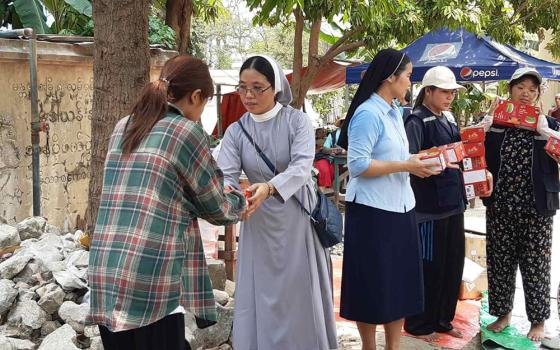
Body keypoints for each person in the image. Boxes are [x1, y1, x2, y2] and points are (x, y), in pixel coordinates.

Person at [88, 55, 247, 350]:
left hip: (106, 271)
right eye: (203, 106)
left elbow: (165, 189)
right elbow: (218, 207)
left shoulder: (124, 125)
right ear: (196, 96)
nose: (200, 115)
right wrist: (242, 199)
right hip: (151, 277)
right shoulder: (186, 131)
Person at [217, 55, 337, 350]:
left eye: (257, 87)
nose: (248, 95)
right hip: (257, 220)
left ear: (276, 88)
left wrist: (270, 188)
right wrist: (234, 197)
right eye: (243, 87)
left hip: (296, 221)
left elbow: (301, 168)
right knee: (262, 295)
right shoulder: (236, 131)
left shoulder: (297, 121)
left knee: (298, 294)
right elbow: (226, 176)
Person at [337, 49, 440, 350]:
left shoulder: (394, 111)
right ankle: (370, 346)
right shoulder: (368, 113)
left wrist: (417, 162)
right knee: (371, 286)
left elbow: (394, 157)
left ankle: (392, 347)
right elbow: (358, 165)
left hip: (401, 208)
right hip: (372, 212)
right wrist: (407, 165)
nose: (410, 82)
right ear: (390, 77)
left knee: (399, 285)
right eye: (407, 75)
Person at [403, 66, 492, 341]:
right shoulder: (416, 121)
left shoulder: (450, 119)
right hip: (428, 208)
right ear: (427, 91)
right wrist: (437, 159)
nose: (450, 96)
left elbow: (461, 155)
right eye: (444, 91)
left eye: (452, 92)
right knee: (428, 267)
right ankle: (420, 324)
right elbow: (409, 159)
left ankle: (443, 319)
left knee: (451, 265)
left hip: (454, 204)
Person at [482, 67, 560, 342]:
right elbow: (473, 152)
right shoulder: (496, 124)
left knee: (536, 264)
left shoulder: (548, 124)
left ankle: (537, 320)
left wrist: (548, 134)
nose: (526, 94)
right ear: (510, 90)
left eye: (532, 89)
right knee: (500, 261)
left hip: (536, 208)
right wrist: (484, 127)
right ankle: (502, 314)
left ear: (538, 95)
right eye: (520, 88)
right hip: (500, 204)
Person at [314, 117, 345, 190]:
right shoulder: (332, 135)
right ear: (340, 123)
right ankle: (324, 193)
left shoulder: (355, 134)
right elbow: (325, 149)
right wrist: (333, 150)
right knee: (324, 169)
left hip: (346, 161)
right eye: (344, 121)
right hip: (329, 159)